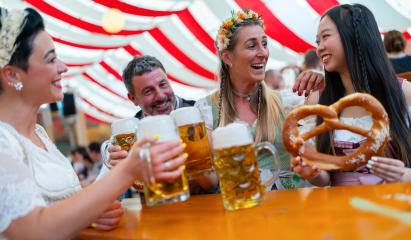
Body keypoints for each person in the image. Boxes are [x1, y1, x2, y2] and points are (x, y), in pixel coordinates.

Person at [0, 7, 186, 238]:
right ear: (12, 75)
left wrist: (88, 213)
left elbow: (58, 203)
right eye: (51, 59)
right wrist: (128, 170)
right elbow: (34, 231)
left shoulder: (38, 133)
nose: (63, 67)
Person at [292, 4, 411, 186]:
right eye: (317, 42)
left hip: (394, 206)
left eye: (325, 37)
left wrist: (404, 174)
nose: (319, 48)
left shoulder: (404, 92)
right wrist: (313, 173)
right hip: (342, 210)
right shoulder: (319, 99)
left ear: (355, 37)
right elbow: (325, 178)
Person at [195, 9, 303, 190]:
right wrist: (194, 157)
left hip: (287, 208)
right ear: (228, 57)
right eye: (252, 46)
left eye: (264, 44)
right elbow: (209, 181)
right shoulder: (207, 109)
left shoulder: (286, 103)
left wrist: (320, 80)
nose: (263, 53)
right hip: (238, 207)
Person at [100, 55, 217, 194]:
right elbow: (106, 183)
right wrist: (108, 154)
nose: (160, 96)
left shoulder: (199, 115)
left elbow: (214, 182)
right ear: (133, 98)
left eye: (163, 85)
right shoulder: (131, 133)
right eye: (148, 91)